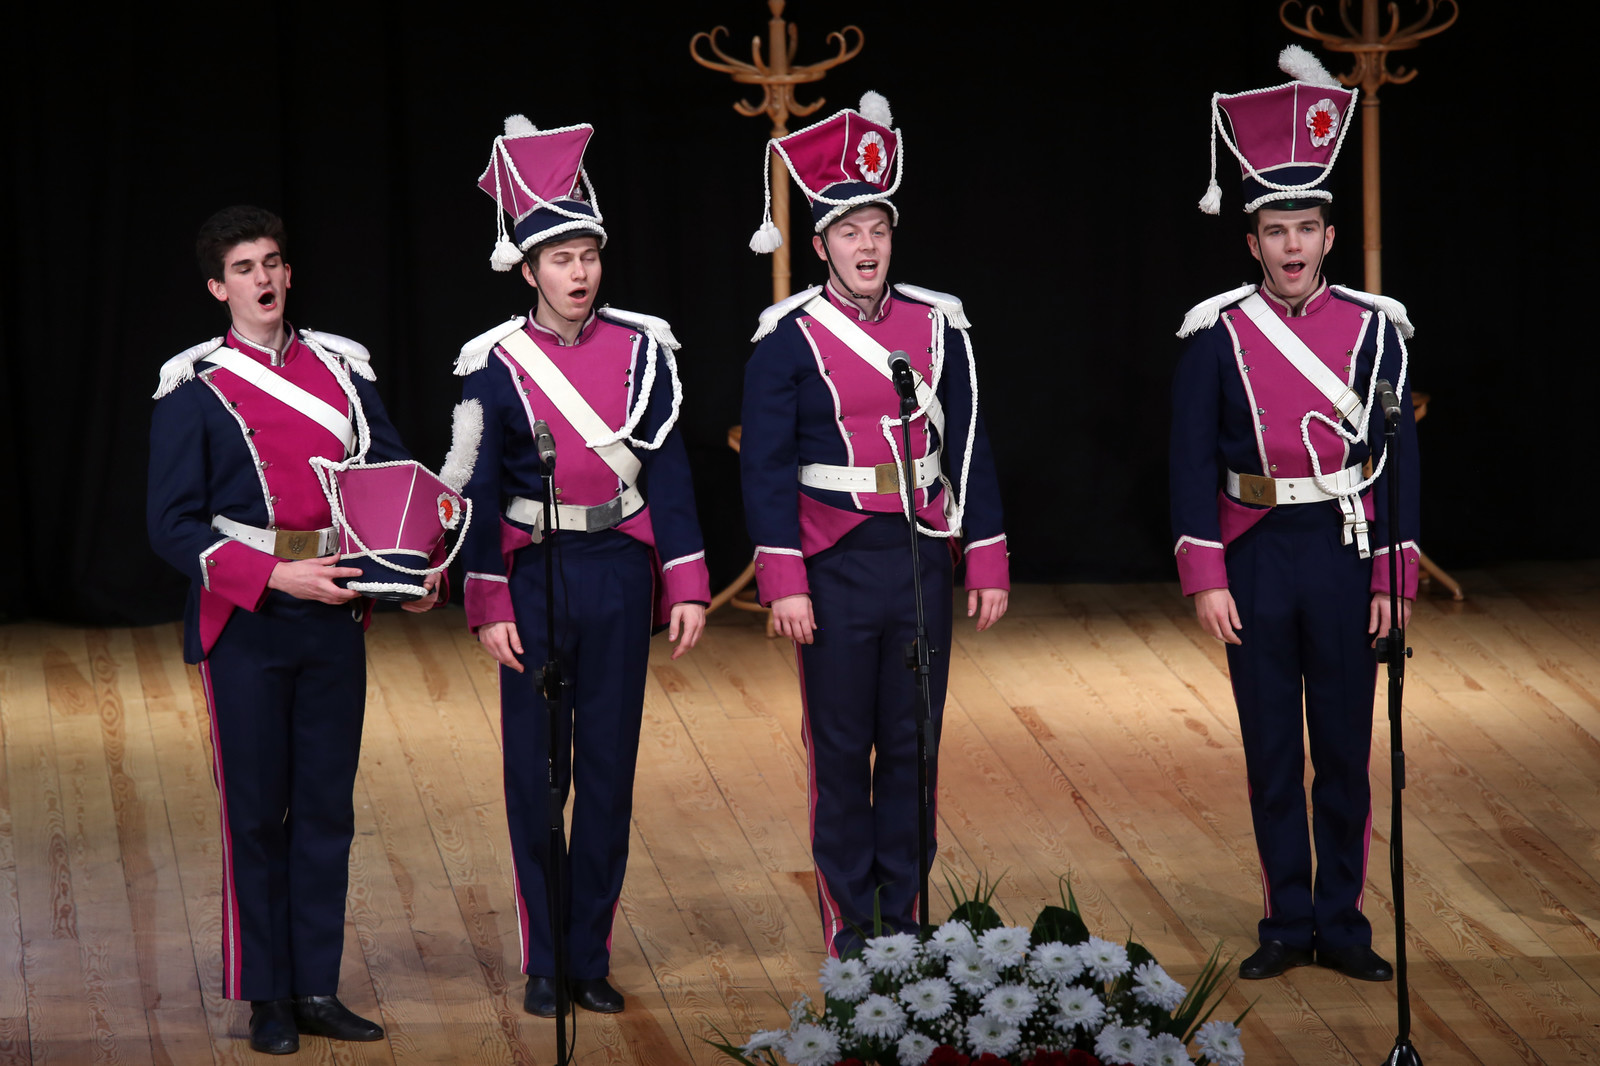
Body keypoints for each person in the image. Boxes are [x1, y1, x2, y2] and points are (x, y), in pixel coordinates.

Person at [148, 205, 440, 1054]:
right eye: (244, 269)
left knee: (324, 811)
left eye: (272, 262)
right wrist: (275, 575)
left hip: (335, 609)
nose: (264, 279)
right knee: (253, 815)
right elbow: (170, 525)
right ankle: (265, 996)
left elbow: (388, 480)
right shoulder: (193, 389)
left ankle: (316, 985)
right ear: (218, 288)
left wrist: (411, 570)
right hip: (248, 619)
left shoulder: (343, 373)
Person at [1170, 47, 1421, 982]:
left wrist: (1394, 576)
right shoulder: (1218, 332)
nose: (1291, 247)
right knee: (1273, 748)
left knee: (1346, 753)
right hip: (1257, 550)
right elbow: (1190, 459)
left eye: (1306, 228)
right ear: (1253, 243)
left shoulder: (1376, 328)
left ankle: (1343, 923)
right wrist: (1206, 575)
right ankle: (1285, 921)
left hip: (1345, 550)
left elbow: (1400, 460)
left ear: (1328, 235)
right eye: (1275, 230)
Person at [739, 92, 1010, 958]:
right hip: (833, 559)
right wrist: (784, 580)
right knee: (841, 746)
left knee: (912, 745)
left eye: (879, 230)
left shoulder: (938, 324)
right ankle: (852, 922)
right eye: (849, 231)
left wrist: (986, 555)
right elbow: (765, 467)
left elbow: (968, 441)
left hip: (921, 553)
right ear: (821, 245)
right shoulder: (787, 338)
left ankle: (906, 912)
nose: (867, 246)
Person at [455, 115, 710, 1016]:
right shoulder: (492, 362)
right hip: (533, 574)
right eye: (560, 259)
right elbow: (479, 489)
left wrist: (687, 581)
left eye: (589, 256)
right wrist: (488, 600)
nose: (579, 273)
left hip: (619, 570)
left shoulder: (645, 349)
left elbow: (669, 471)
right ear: (528, 271)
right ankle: (542, 958)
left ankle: (588, 954)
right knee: (536, 774)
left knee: (608, 770)